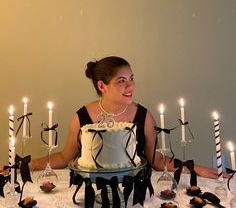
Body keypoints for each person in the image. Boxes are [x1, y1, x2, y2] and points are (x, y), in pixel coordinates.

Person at [0, 56, 221, 178]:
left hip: (137, 191)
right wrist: (22, 166)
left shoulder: (144, 116)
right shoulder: (82, 117)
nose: (131, 86)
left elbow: (156, 161)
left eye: (131, 78)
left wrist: (196, 168)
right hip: (92, 191)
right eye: (121, 81)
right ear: (102, 86)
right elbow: (63, 157)